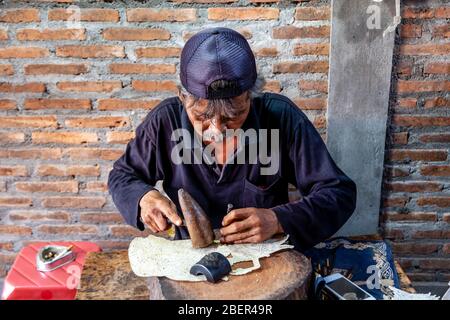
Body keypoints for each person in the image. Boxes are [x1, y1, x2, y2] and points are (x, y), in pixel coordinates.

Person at [107, 27, 357, 251]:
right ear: (183, 98)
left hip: (266, 257)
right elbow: (122, 176)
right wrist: (143, 197)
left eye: (233, 117)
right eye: (201, 117)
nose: (216, 130)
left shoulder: (281, 118)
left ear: (252, 96)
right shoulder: (165, 122)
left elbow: (338, 193)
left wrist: (279, 219)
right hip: (190, 258)